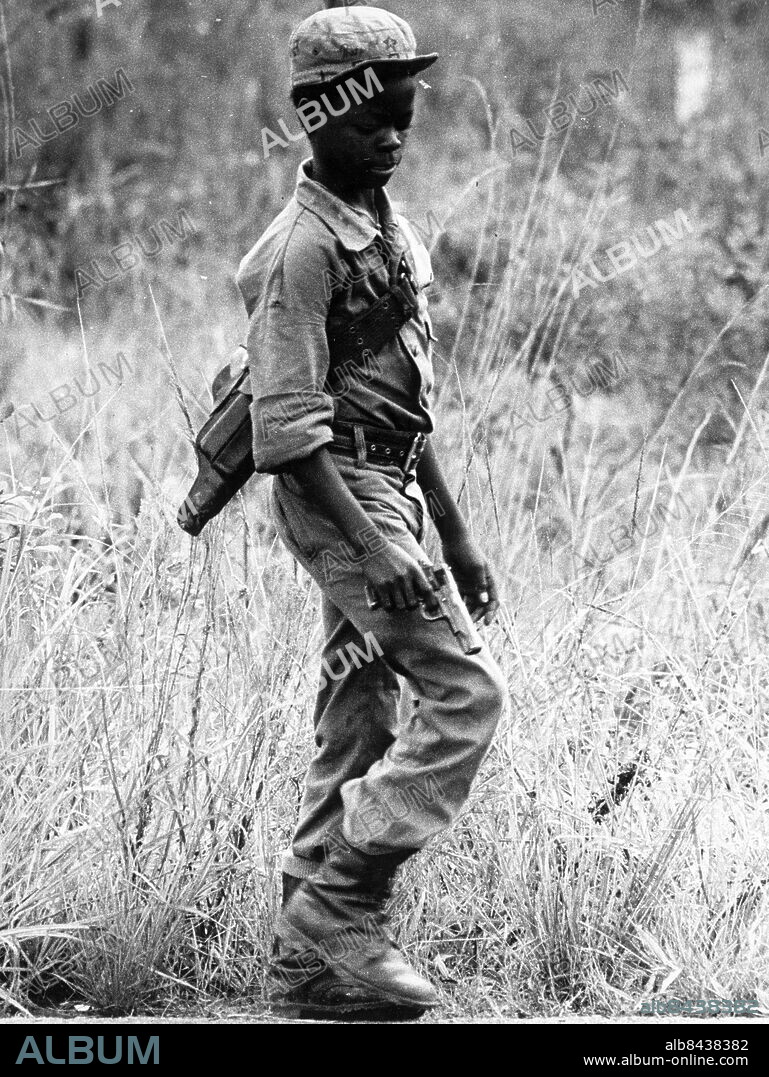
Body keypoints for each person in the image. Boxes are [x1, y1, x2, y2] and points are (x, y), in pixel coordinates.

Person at [236, 4, 507, 1016]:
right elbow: (284, 434)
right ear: (314, 113)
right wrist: (376, 546)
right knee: (468, 694)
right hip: (338, 497)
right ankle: (341, 906)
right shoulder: (301, 253)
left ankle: (305, 969)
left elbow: (400, 405)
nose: (392, 137)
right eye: (369, 120)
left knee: (358, 715)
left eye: (404, 117)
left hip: (387, 488)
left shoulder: (386, 227)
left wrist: (454, 532)